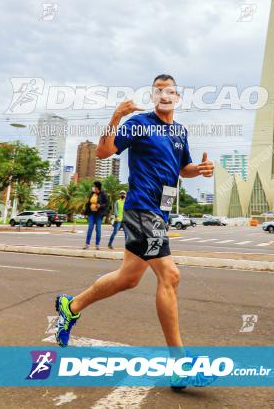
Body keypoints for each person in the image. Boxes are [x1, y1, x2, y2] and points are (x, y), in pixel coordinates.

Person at [54, 74, 215, 390]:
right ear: (153, 97)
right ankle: (180, 365)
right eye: (158, 91)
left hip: (161, 211)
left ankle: (69, 308)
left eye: (170, 91)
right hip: (142, 208)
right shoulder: (139, 124)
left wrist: (200, 170)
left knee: (128, 278)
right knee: (170, 276)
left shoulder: (179, 132)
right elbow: (103, 152)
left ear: (177, 97)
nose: (164, 95)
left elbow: (183, 168)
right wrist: (116, 116)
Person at [83, 181, 108, 250]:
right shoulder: (92, 194)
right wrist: (86, 211)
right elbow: (88, 203)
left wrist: (100, 205)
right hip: (91, 213)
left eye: (94, 186)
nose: (93, 187)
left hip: (99, 214)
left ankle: (97, 244)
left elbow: (106, 203)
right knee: (90, 228)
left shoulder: (103, 194)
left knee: (98, 229)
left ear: (98, 187)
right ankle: (87, 244)